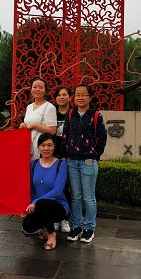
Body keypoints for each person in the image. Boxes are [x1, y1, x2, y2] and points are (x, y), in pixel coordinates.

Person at [61, 83, 107, 243]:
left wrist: (95, 155)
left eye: (84, 95)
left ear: (90, 97)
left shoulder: (96, 115)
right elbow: (65, 135)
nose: (80, 97)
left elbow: (102, 137)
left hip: (88, 161)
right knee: (76, 196)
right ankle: (76, 227)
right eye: (78, 95)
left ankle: (89, 228)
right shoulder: (70, 113)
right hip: (72, 161)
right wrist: (64, 154)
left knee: (88, 197)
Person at [21, 133, 69, 251]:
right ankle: (44, 229)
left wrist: (35, 202)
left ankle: (52, 235)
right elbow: (30, 189)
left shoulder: (61, 165)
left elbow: (57, 191)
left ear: (54, 146)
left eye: (49, 145)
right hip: (38, 206)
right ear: (38, 147)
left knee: (43, 203)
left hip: (58, 207)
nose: (46, 148)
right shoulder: (33, 164)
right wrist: (25, 206)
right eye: (43, 145)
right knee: (27, 226)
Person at [19, 77, 57, 159]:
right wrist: (23, 126)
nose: (37, 89)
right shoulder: (29, 107)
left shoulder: (49, 107)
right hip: (27, 145)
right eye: (34, 87)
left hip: (40, 147)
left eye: (41, 87)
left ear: (45, 91)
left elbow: (52, 131)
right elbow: (28, 126)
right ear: (31, 89)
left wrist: (34, 125)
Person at [53, 86, 73, 233]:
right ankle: (55, 218)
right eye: (59, 95)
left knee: (66, 188)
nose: (61, 97)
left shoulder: (74, 113)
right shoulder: (51, 113)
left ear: (69, 97)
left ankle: (65, 218)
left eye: (64, 94)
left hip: (69, 156)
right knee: (54, 188)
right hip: (53, 156)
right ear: (55, 98)